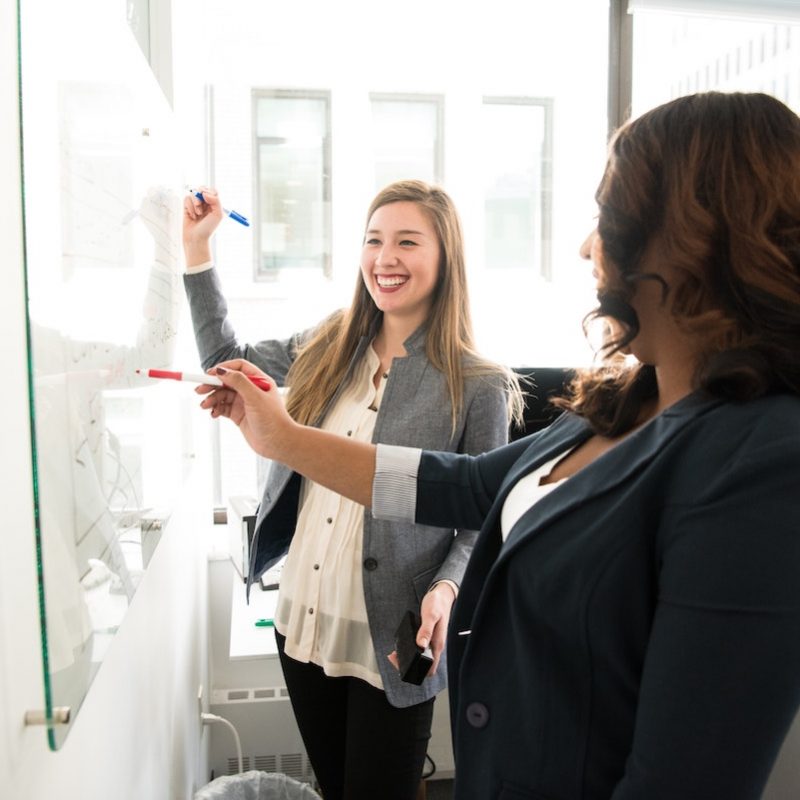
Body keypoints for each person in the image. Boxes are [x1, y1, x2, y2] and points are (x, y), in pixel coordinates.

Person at [195, 92, 800, 800]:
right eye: (373, 239)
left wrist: (443, 586)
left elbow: (682, 779)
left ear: (692, 237)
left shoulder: (764, 460)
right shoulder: (617, 405)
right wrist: (285, 438)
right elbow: (465, 484)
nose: (584, 246)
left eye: (607, 218)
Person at [182, 180, 523, 799]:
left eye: (407, 242)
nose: (384, 258)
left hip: (394, 633)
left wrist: (447, 588)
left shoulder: (479, 383)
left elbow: (484, 513)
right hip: (304, 618)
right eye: (373, 240)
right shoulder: (331, 341)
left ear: (446, 257)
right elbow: (226, 359)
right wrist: (197, 251)